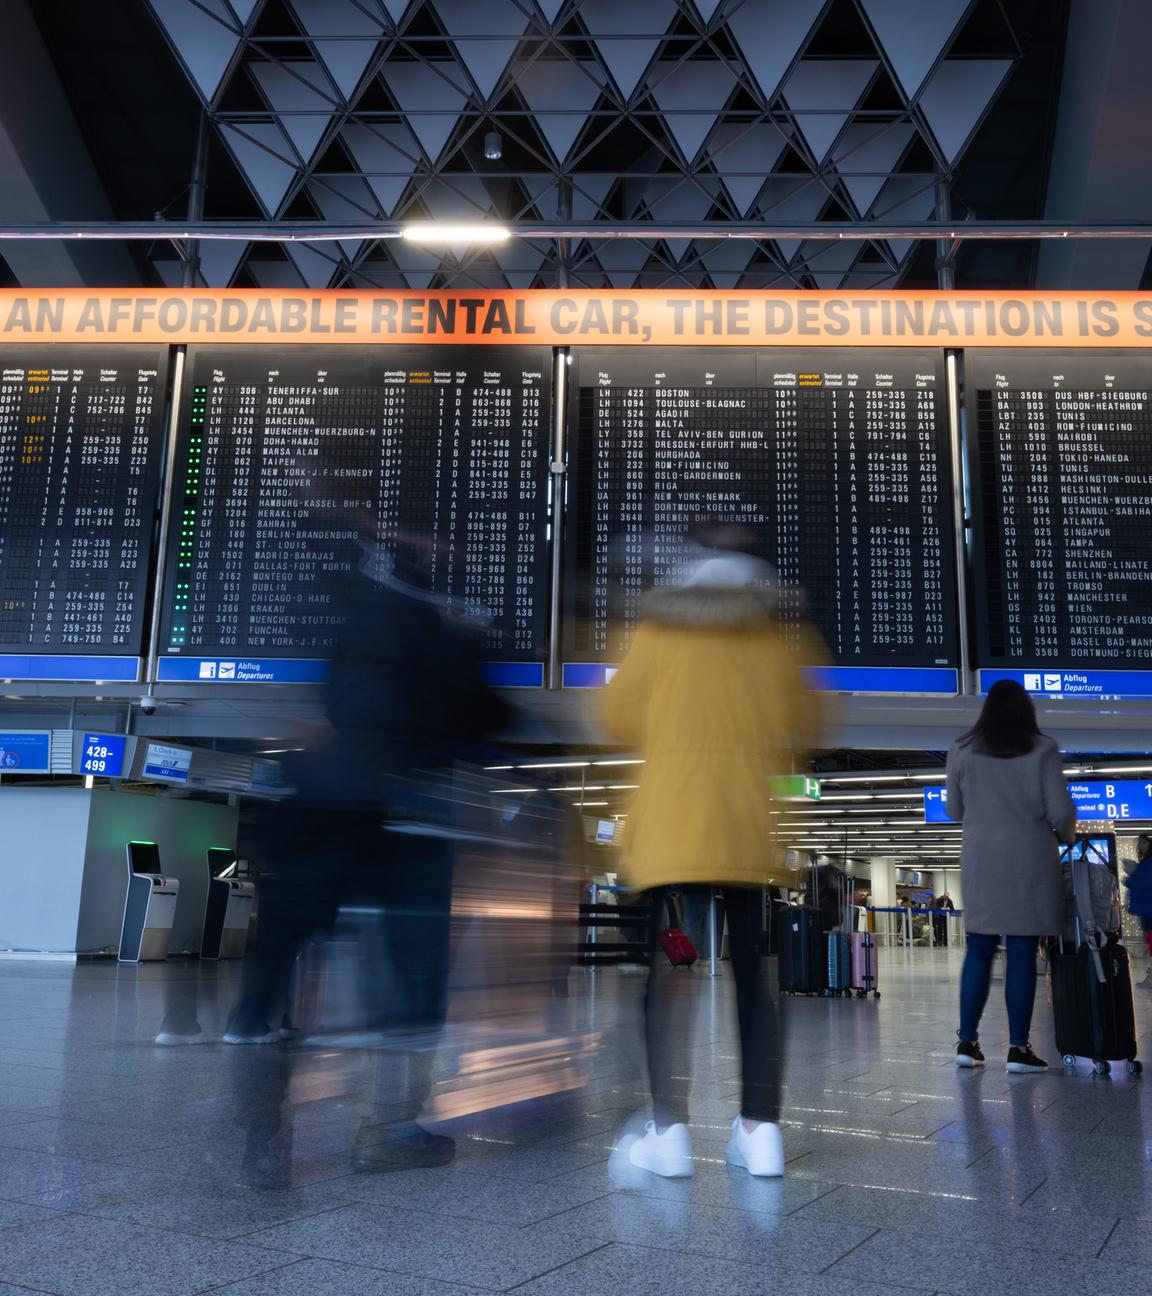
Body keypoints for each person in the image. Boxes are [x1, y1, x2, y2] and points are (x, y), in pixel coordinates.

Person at [224, 522, 505, 1181]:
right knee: (409, 983)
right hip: (406, 822)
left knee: (282, 974)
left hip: (322, 813)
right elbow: (488, 718)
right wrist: (474, 641)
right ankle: (387, 1131)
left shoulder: (348, 622)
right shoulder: (442, 635)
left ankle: (263, 1138)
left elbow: (331, 703)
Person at [602, 536, 826, 1179]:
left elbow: (617, 716)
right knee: (755, 979)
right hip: (744, 828)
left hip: (671, 828)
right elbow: (808, 719)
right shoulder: (770, 641)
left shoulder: (657, 631)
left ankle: (668, 1133)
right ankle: (760, 1133)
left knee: (664, 978)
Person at [946, 680, 1076, 1073]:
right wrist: (1066, 835)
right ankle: (1018, 1048)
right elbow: (1060, 811)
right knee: (1021, 951)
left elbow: (954, 809)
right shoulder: (1043, 749)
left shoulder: (961, 750)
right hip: (1030, 860)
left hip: (981, 860)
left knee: (979, 949)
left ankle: (966, 1043)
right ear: (1027, 711)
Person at [1123, 834, 1152, 988]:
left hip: (1149, 909)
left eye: (1144, 842)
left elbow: (1147, 882)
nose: (1141, 845)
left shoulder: (1149, 862)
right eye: (1139, 843)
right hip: (1146, 909)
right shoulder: (1145, 862)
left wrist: (1128, 880)